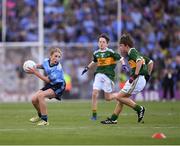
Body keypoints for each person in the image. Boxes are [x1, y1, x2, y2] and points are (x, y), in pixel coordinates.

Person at [101, 34, 153, 124]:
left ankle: (139, 109)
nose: (120, 48)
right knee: (121, 98)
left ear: (126, 46)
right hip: (138, 79)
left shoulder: (132, 52)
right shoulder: (135, 53)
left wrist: (135, 75)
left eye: (121, 46)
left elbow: (139, 61)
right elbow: (151, 62)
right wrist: (148, 75)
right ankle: (113, 119)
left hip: (137, 79)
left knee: (119, 97)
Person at [81, 33, 128, 120]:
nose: (101, 43)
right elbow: (94, 61)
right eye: (100, 42)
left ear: (107, 44)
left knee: (108, 98)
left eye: (103, 42)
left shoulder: (110, 52)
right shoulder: (96, 53)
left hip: (108, 75)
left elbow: (121, 58)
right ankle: (94, 115)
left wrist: (124, 65)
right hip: (98, 74)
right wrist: (87, 68)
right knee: (94, 93)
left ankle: (120, 95)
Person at [27, 47, 66, 126]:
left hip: (59, 86)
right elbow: (43, 66)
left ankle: (45, 121)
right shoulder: (46, 61)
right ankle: (40, 115)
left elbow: (47, 80)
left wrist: (35, 72)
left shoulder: (57, 68)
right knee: (34, 99)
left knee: (41, 96)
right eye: (55, 56)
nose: (57, 58)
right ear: (50, 56)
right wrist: (34, 66)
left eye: (59, 57)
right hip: (52, 84)